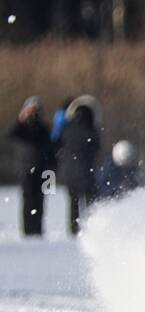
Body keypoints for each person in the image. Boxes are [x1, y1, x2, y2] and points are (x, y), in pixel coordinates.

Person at [8, 97, 58, 237]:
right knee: (28, 201)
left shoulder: (44, 129)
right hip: (25, 170)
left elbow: (50, 150)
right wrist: (22, 118)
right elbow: (11, 134)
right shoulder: (22, 128)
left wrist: (52, 170)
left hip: (42, 171)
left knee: (40, 201)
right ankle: (28, 230)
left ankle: (38, 229)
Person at [58, 95, 101, 236]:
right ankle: (91, 229)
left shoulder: (67, 130)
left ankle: (73, 230)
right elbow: (96, 148)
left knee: (73, 204)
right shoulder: (91, 132)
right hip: (86, 173)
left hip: (69, 174)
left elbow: (58, 143)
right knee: (90, 203)